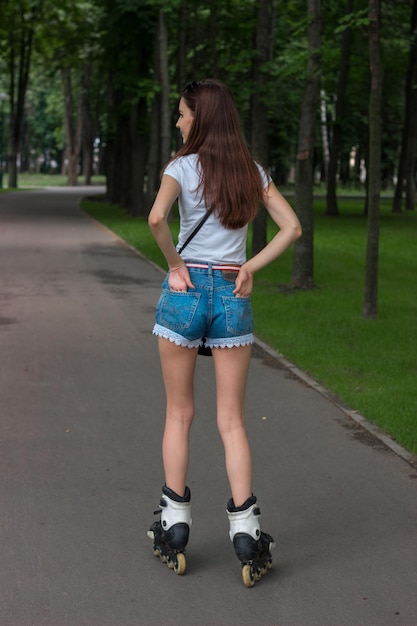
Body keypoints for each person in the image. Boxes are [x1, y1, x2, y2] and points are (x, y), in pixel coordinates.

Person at [147, 79, 302, 587]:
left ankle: (174, 528)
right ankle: (246, 532)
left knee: (179, 412)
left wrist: (174, 264)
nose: (178, 122)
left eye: (183, 114)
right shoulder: (250, 172)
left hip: (186, 291)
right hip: (232, 295)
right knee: (232, 420)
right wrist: (249, 267)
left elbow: (156, 218)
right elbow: (292, 227)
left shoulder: (181, 167)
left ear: (201, 118)